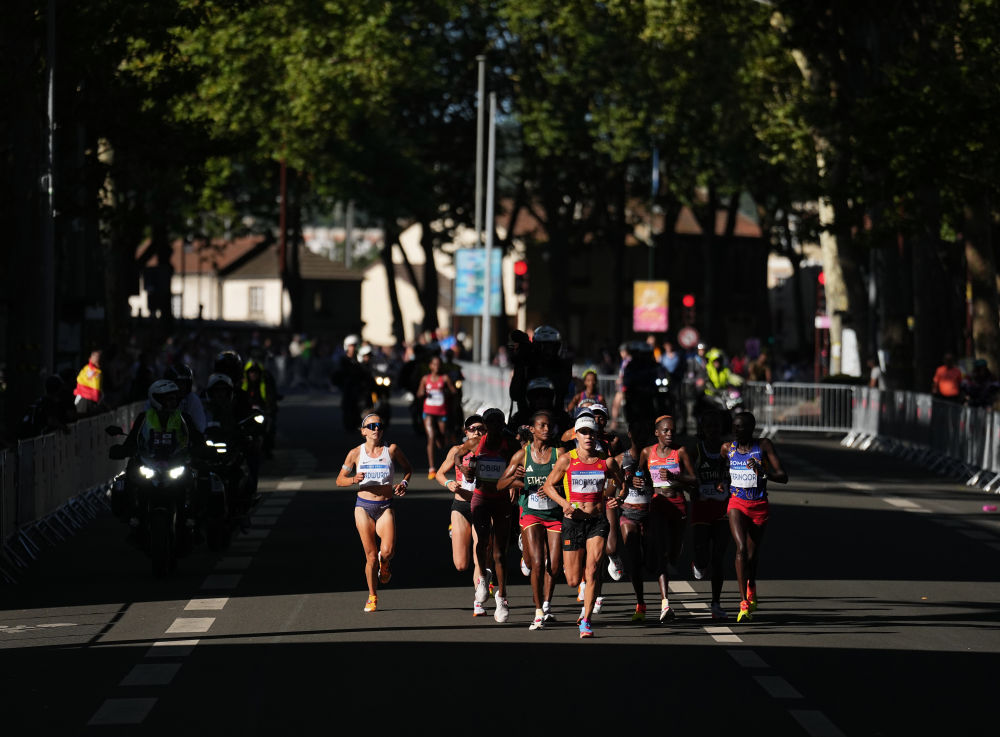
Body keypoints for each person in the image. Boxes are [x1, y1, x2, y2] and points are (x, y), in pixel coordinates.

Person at [542, 414, 623, 638]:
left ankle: (586, 620)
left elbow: (621, 483)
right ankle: (578, 584)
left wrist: (618, 498)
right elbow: (548, 486)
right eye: (583, 432)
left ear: (596, 435)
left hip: (597, 521)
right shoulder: (566, 460)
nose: (588, 436)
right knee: (572, 579)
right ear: (576, 435)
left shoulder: (606, 461)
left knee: (593, 570)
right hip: (573, 522)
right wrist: (564, 504)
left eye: (591, 432)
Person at [335, 413, 413, 613]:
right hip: (363, 507)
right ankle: (372, 596)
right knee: (370, 557)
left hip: (385, 506)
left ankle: (384, 563)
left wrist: (404, 483)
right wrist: (353, 479)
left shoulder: (391, 450)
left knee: (387, 551)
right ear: (363, 431)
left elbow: (408, 469)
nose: (376, 429)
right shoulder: (355, 453)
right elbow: (339, 480)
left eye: (379, 425)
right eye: (371, 426)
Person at [497, 410, 563, 629]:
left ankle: (547, 604)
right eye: (542, 425)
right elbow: (499, 484)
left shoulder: (559, 454)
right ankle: (538, 611)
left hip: (554, 514)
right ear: (532, 429)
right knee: (537, 562)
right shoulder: (521, 455)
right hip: (531, 513)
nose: (546, 429)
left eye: (549, 425)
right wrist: (516, 479)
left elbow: (569, 481)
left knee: (554, 565)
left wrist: (555, 489)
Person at [722, 411, 788, 623]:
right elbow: (720, 469)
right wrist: (721, 482)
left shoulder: (763, 446)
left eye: (740, 427)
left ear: (751, 429)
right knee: (740, 549)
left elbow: (783, 476)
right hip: (736, 503)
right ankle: (743, 603)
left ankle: (751, 584)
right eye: (734, 427)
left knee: (752, 555)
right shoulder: (728, 448)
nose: (736, 431)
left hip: (759, 506)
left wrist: (763, 471)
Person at [635, 415, 696, 624]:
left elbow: (694, 479)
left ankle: (671, 553)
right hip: (657, 504)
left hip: (677, 505)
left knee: (673, 555)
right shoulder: (647, 452)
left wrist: (674, 477)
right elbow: (640, 474)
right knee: (661, 552)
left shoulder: (681, 452)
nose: (670, 434)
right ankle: (665, 603)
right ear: (657, 433)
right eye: (666, 431)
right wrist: (636, 480)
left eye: (672, 431)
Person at [465, 407, 518, 622]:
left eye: (498, 422)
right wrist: (466, 469)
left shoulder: (510, 445)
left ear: (503, 424)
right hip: (481, 497)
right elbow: (458, 456)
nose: (495, 426)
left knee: (499, 553)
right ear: (486, 425)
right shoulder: (476, 443)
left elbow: (521, 462)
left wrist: (514, 482)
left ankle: (502, 597)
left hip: (502, 500)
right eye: (491, 422)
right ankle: (483, 578)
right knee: (482, 542)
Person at [435, 415, 490, 615]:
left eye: (480, 428)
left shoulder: (490, 452)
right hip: (461, 506)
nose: (477, 432)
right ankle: (454, 529)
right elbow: (440, 474)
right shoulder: (457, 450)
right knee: (460, 564)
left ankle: (478, 601)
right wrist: (449, 483)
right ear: (465, 432)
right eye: (472, 429)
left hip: (481, 506)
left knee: (479, 556)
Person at [690, 411, 731, 620]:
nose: (713, 430)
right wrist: (693, 488)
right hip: (701, 508)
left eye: (716, 426)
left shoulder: (728, 449)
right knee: (702, 555)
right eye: (709, 427)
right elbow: (685, 475)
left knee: (718, 557)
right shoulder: (696, 449)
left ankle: (716, 603)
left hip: (723, 507)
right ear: (703, 429)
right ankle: (698, 563)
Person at [613, 421, 654, 621]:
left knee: (652, 563)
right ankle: (640, 603)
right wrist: (625, 481)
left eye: (643, 432)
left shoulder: (654, 456)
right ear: (629, 434)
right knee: (634, 561)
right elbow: (610, 489)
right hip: (628, 514)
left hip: (650, 514)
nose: (640, 436)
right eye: (636, 432)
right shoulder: (621, 459)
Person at [417, 355, 457, 478]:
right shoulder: (425, 379)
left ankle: (440, 440)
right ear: (430, 366)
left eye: (439, 364)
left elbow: (454, 391)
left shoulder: (445, 378)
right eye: (434, 364)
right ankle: (432, 468)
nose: (437, 367)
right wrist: (423, 392)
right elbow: (419, 393)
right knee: (431, 436)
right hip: (428, 411)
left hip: (441, 412)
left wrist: (446, 391)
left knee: (441, 439)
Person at [332, 336, 367, 431]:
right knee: (347, 404)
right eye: (351, 346)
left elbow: (365, 370)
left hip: (359, 386)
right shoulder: (343, 360)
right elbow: (339, 373)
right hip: (348, 386)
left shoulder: (359, 359)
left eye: (354, 345)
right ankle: (349, 423)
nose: (353, 348)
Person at [164, 364, 207, 434]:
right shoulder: (159, 398)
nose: (182, 387)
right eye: (178, 383)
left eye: (184, 383)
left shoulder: (192, 400)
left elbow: (201, 428)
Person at [73, 350, 105, 415]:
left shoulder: (95, 370)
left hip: (90, 400)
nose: (98, 359)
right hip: (84, 400)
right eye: (96, 357)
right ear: (90, 358)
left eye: (99, 357)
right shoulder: (90, 370)